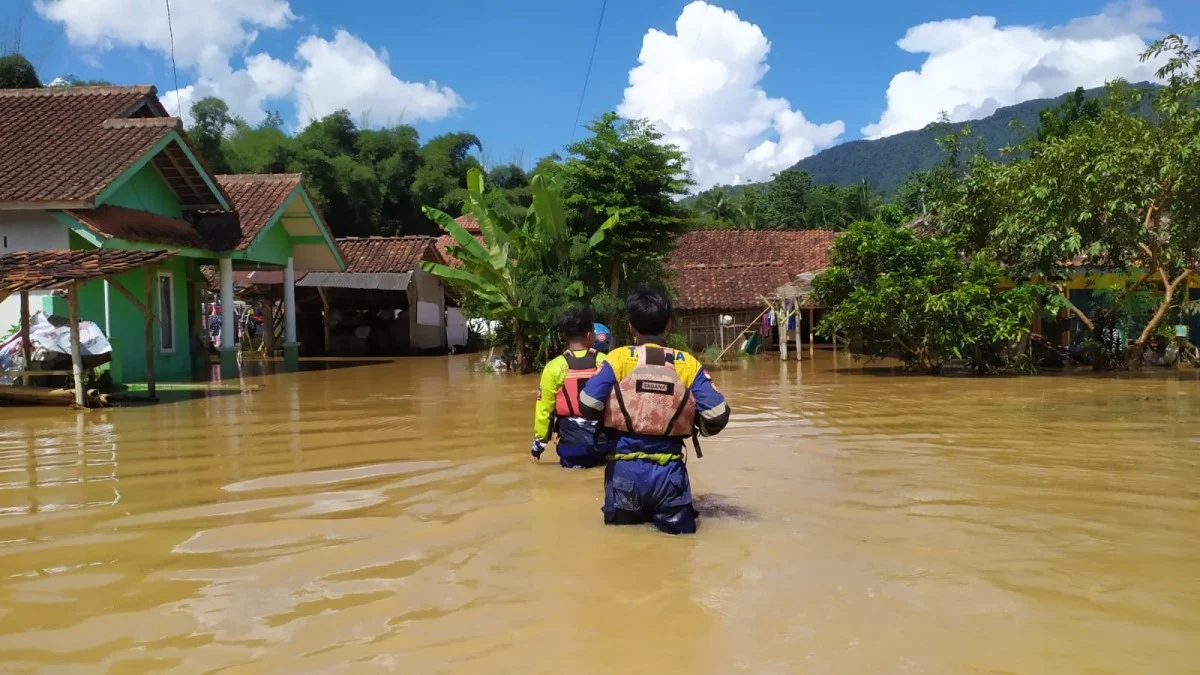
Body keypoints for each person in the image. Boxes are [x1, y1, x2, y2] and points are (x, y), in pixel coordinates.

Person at [579, 287, 730, 534]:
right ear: (668, 325)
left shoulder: (617, 359)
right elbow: (717, 414)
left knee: (622, 546)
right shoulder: (687, 363)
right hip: (670, 474)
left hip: (624, 473)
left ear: (631, 327)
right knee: (678, 553)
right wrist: (693, 423)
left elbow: (587, 403)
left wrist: (611, 419)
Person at [530, 307, 611, 468]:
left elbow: (544, 411)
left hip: (571, 447)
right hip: (602, 444)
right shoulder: (606, 362)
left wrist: (537, 448)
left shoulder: (553, 367)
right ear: (589, 334)